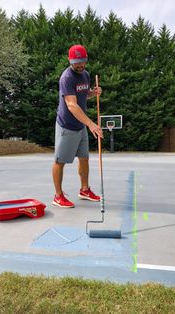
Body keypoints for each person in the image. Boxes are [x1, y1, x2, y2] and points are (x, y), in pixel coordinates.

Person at [52, 44, 103, 208]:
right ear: (70, 60)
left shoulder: (85, 75)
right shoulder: (67, 78)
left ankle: (84, 190)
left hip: (81, 125)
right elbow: (72, 105)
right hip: (67, 125)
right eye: (77, 62)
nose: (80, 65)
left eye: (83, 61)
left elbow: (82, 94)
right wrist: (91, 124)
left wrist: (92, 93)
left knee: (84, 158)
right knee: (60, 161)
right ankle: (58, 196)